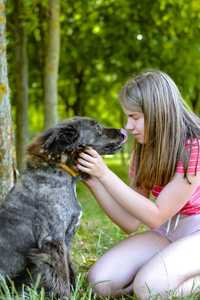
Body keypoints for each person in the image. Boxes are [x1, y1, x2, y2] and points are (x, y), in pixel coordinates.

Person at [76, 70, 200, 300]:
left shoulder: (194, 147)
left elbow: (155, 216)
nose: (128, 126)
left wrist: (105, 174)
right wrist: (93, 181)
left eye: (134, 117)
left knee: (148, 288)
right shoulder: (144, 149)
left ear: (158, 113)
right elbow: (130, 222)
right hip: (169, 232)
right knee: (101, 282)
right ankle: (164, 269)